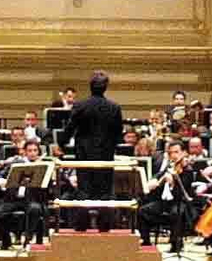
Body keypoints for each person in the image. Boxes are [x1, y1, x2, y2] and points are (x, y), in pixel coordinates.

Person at [67, 70, 125, 231]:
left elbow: (70, 129)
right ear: (106, 87)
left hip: (84, 155)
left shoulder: (80, 105)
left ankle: (81, 226)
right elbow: (118, 134)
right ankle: (105, 227)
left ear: (90, 86)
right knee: (104, 192)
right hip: (105, 155)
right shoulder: (114, 108)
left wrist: (61, 144)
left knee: (84, 190)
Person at [0, 139, 51, 249]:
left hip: (32, 200)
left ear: (38, 152)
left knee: (35, 209)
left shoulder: (43, 166)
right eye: (29, 151)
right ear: (24, 152)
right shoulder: (16, 163)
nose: (32, 153)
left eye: (35, 150)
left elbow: (48, 187)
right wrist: (0, 180)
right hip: (13, 200)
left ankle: (27, 241)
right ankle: (6, 242)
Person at [138, 139, 194, 251]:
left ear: (184, 153)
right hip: (165, 202)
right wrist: (153, 181)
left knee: (175, 213)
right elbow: (158, 175)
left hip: (180, 202)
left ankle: (175, 244)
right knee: (143, 210)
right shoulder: (170, 166)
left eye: (176, 152)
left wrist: (173, 183)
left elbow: (181, 193)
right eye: (171, 153)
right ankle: (146, 241)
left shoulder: (188, 170)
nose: (173, 155)